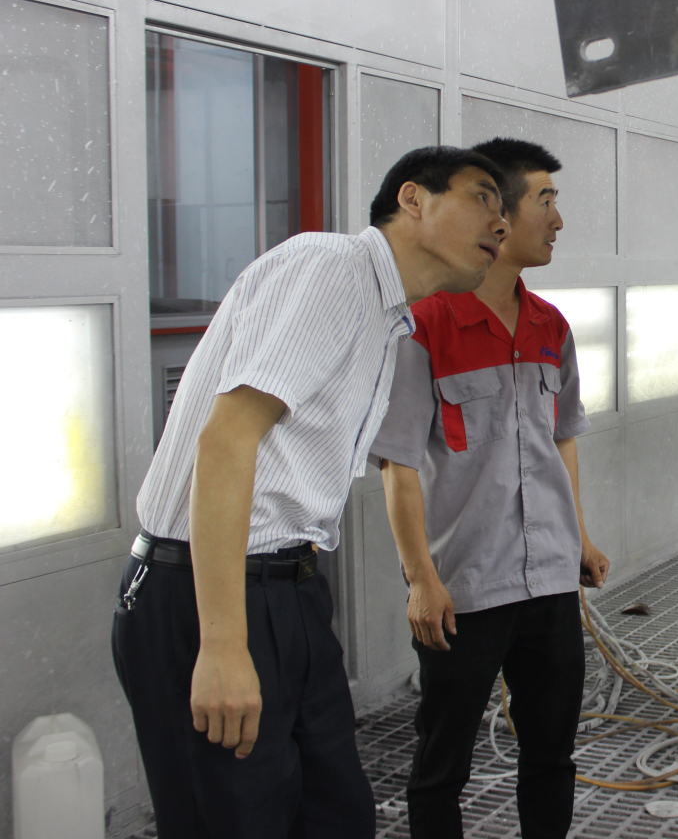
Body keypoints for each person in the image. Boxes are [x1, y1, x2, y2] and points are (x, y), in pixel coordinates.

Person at [112, 146, 509, 838]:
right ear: (413, 199)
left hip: (290, 589)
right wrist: (223, 646)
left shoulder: (388, 317)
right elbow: (226, 440)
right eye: (482, 197)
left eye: (504, 210)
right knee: (234, 821)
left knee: (334, 814)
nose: (499, 223)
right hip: (209, 591)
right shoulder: (331, 268)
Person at [368, 137, 606, 839]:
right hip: (464, 589)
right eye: (545, 201)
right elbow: (398, 464)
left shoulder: (550, 326)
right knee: (442, 765)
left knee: (552, 755)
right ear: (497, 215)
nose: (557, 220)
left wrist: (579, 537)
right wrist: (421, 579)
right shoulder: (424, 326)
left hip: (550, 581)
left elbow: (562, 438)